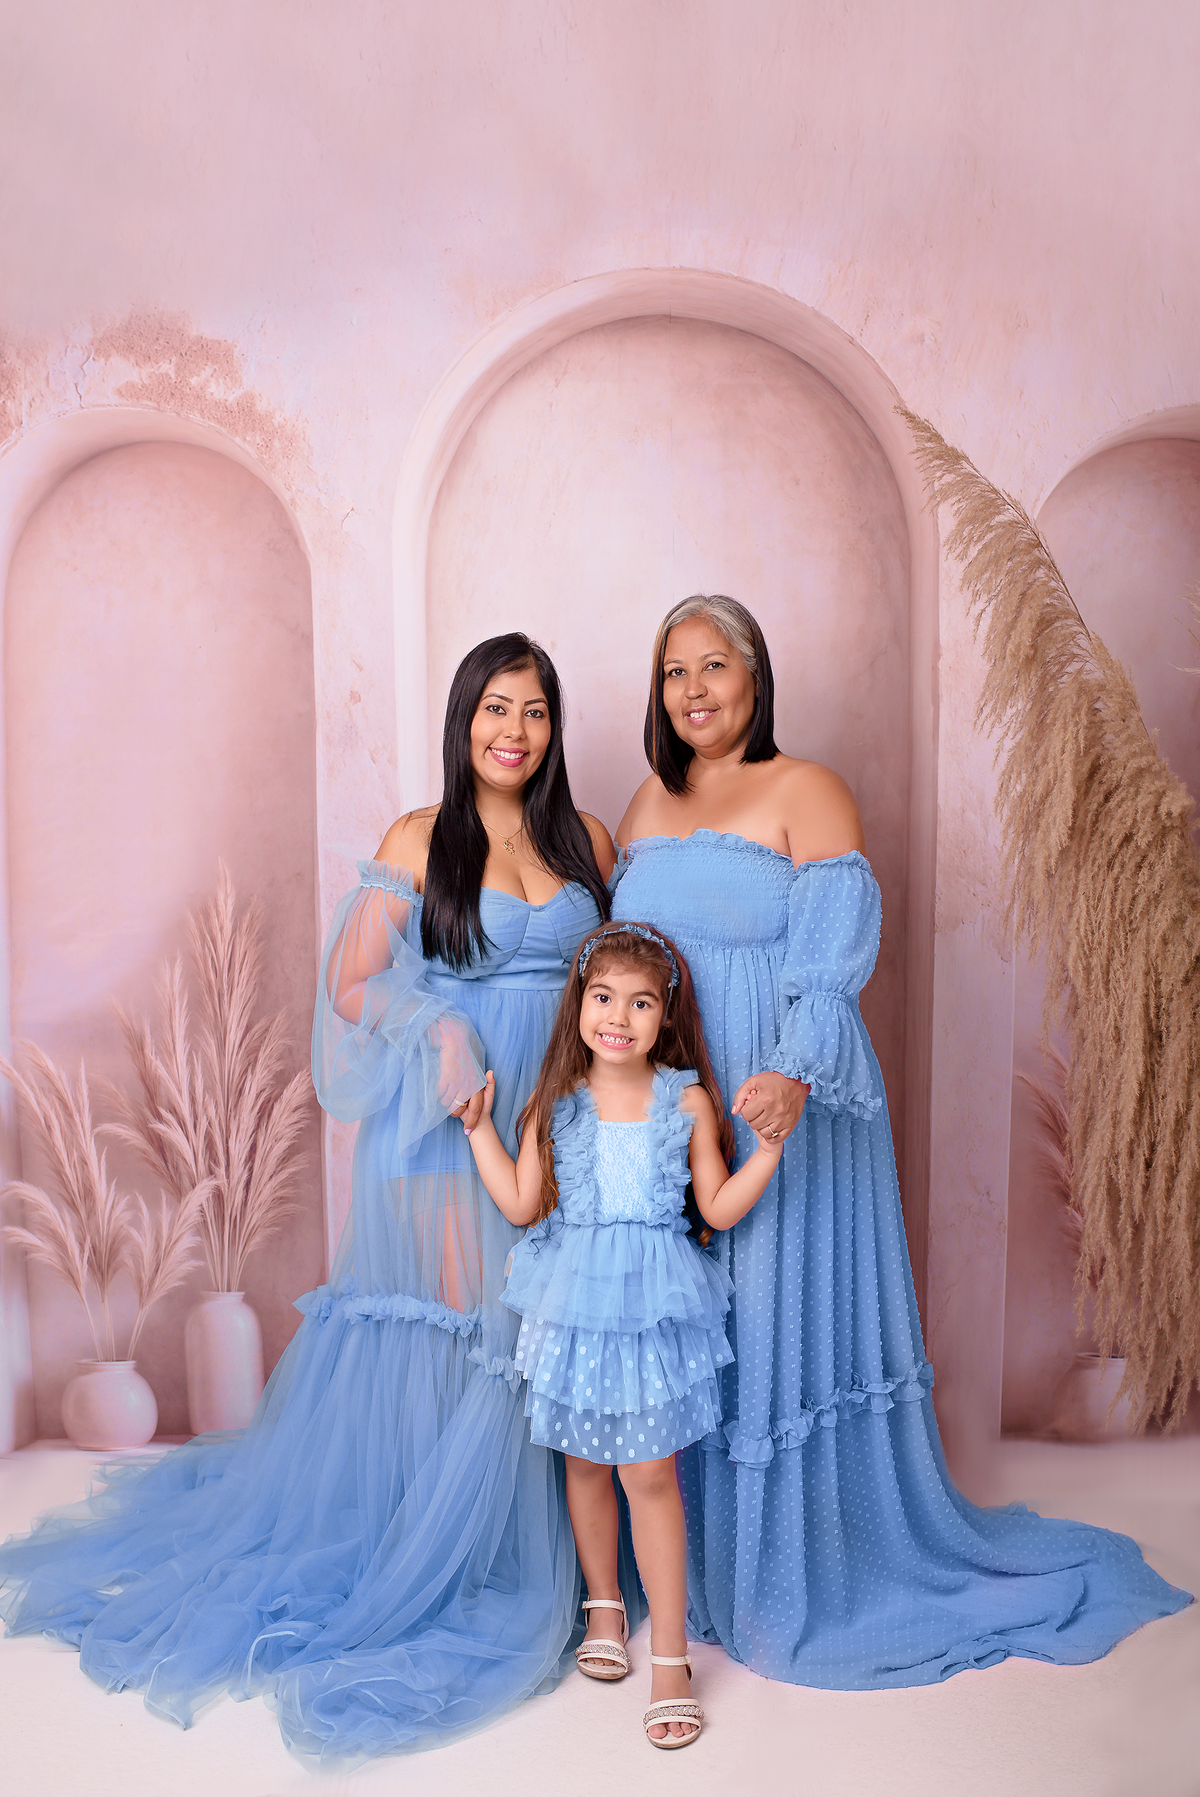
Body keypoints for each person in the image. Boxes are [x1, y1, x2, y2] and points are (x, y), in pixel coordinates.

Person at [0, 632, 630, 1761]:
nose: (515, 731)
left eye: (535, 711)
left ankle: (575, 1554)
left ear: (556, 726)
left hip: (568, 1107)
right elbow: (350, 984)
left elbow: (624, 970)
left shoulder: (587, 838)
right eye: (495, 708)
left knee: (560, 1323)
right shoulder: (417, 838)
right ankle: (465, 1545)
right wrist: (437, 1028)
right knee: (472, 1332)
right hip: (452, 1113)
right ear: (463, 718)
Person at [610, 593, 1190, 1689]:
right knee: (691, 1320)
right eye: (674, 670)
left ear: (755, 675)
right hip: (675, 1100)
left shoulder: (808, 788)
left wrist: (788, 1071)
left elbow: (832, 957)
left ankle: (788, 1566)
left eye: (714, 664)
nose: (693, 689)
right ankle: (689, 1559)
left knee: (768, 1313)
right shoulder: (646, 799)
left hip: (784, 1087)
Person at [460, 920, 781, 1749]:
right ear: (579, 1004)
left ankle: (670, 1656)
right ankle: (603, 1604)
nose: (618, 1016)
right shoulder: (556, 1103)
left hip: (652, 1308)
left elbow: (715, 1208)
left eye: (640, 1002)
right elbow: (521, 1202)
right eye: (603, 997)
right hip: (573, 1305)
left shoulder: (685, 1099)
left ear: (664, 1014)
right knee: (584, 1461)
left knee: (649, 1473)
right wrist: (479, 1130)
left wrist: (767, 1153)